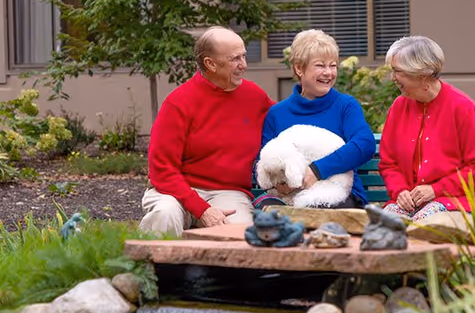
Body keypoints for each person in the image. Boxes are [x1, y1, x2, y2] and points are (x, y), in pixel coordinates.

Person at [139, 26, 274, 236]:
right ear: (210, 64)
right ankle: (148, 268)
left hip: (229, 193)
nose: (244, 65)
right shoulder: (178, 103)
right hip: (175, 192)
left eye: (244, 56)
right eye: (235, 59)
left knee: (240, 234)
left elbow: (284, 122)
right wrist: (201, 209)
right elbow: (162, 170)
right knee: (165, 214)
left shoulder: (254, 96)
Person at [255, 29, 376, 209]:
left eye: (333, 65)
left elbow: (364, 144)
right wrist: (279, 184)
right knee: (268, 213)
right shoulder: (278, 113)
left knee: (315, 210)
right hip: (288, 197)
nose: (328, 73)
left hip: (339, 194)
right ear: (299, 68)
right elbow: (265, 159)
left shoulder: (345, 106)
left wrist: (317, 170)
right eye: (320, 65)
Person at [379, 36, 475, 222]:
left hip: (459, 200)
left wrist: (436, 189)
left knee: (423, 224)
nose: (393, 78)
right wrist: (400, 191)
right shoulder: (399, 107)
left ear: (421, 74)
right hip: (411, 203)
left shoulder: (463, 108)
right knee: (384, 226)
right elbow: (388, 163)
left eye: (397, 71)